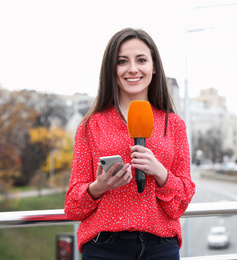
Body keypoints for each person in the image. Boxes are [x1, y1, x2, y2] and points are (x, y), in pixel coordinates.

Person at [64, 28, 195, 260]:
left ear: (153, 67)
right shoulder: (90, 126)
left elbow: (180, 205)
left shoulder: (173, 125)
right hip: (104, 248)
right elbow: (73, 206)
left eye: (141, 60)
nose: (132, 68)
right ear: (111, 70)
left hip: (161, 248)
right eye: (122, 61)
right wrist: (99, 186)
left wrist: (161, 173)